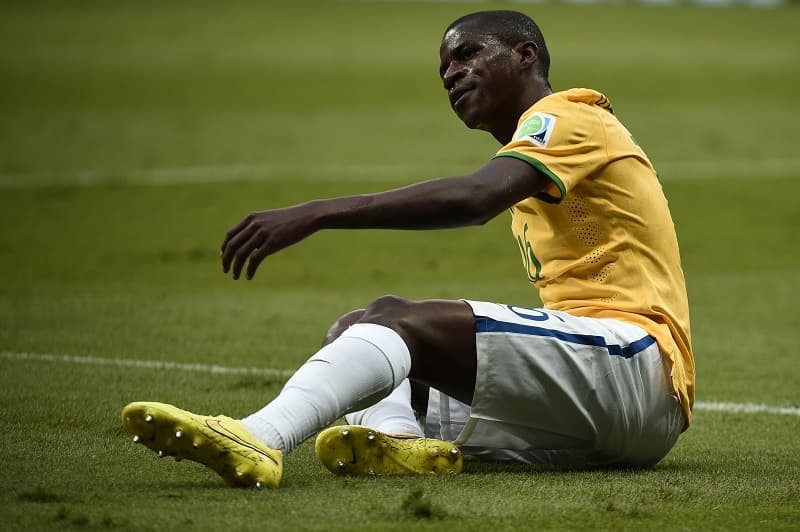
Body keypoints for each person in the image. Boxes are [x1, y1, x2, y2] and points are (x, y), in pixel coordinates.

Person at [121, 10, 694, 489]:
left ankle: (258, 437)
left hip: (637, 364)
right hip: (615, 415)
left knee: (397, 319)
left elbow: (473, 199)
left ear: (524, 55)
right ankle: (397, 443)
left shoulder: (568, 116)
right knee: (358, 331)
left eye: (468, 54)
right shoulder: (540, 156)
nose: (451, 73)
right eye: (444, 67)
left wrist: (317, 213)